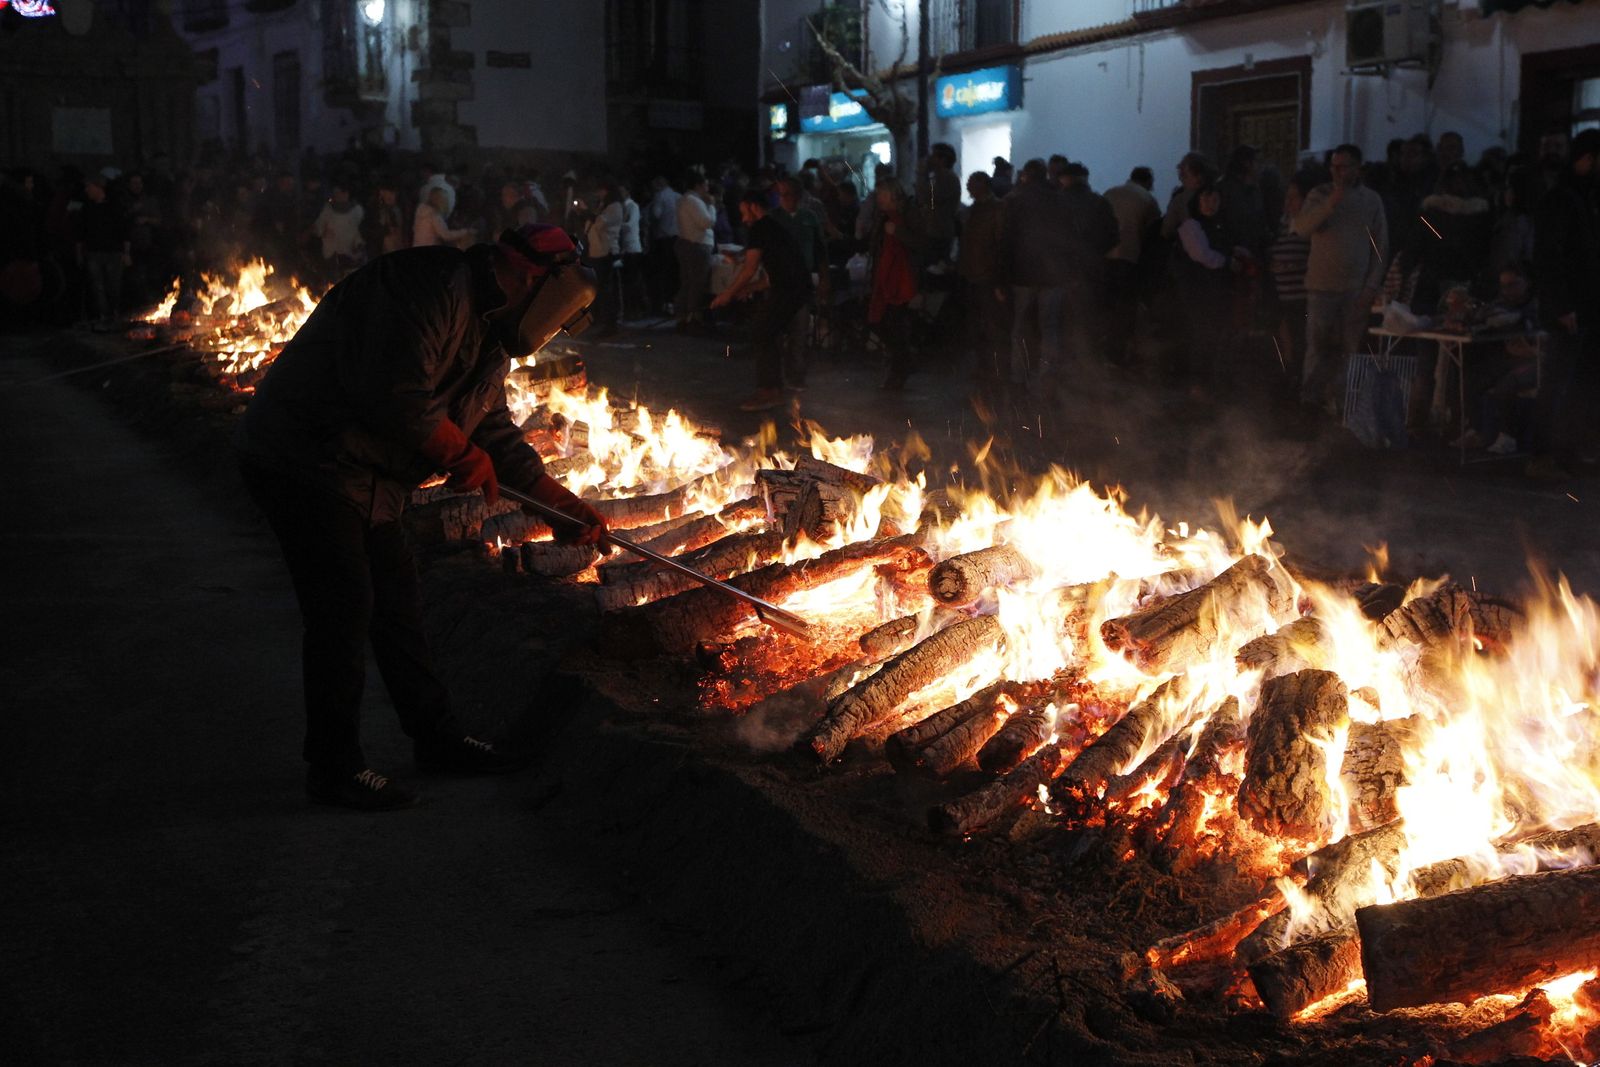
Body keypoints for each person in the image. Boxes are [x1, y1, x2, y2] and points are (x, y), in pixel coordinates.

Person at [234, 224, 606, 810]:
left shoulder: (488, 330)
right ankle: (334, 767)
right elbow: (394, 393)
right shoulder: (430, 286)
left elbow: (490, 428)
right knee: (345, 604)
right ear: (535, 279)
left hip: (366, 476)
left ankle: (438, 742)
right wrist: (460, 455)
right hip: (305, 455)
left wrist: (554, 501)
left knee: (398, 603)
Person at [1291, 144, 1389, 413]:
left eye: (1344, 166)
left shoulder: (1371, 200)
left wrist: (1371, 286)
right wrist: (1331, 202)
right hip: (1322, 287)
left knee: (1349, 347)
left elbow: (1380, 247)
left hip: (1355, 289)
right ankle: (1309, 400)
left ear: (1357, 168)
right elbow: (1302, 228)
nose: (1338, 171)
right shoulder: (1319, 195)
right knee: (1318, 346)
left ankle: (1340, 401)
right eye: (1334, 166)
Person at [1527, 128, 1600, 480]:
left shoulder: (1583, 198)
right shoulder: (1562, 199)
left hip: (1586, 306)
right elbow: (1550, 257)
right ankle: (1542, 455)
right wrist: (1561, 305)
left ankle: (1569, 451)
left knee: (1581, 384)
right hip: (1569, 309)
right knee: (1557, 382)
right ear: (1586, 159)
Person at [710, 189, 811, 410]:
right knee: (765, 331)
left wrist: (727, 293)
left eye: (745, 212)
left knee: (762, 330)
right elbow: (769, 277)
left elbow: (749, 267)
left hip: (791, 290)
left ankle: (769, 391)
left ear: (754, 207)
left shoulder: (760, 227)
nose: (744, 219)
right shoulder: (773, 228)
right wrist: (746, 289)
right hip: (795, 288)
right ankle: (773, 388)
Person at [866, 181, 926, 391]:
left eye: (882, 194)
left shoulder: (906, 215)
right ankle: (902, 363)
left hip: (900, 278)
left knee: (894, 324)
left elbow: (918, 243)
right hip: (887, 277)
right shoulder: (883, 216)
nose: (878, 198)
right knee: (884, 322)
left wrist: (897, 232)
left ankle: (900, 368)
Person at [1103, 166, 1160, 368]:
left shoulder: (1110, 193)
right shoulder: (1148, 200)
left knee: (1107, 307)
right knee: (1126, 309)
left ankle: (1103, 351)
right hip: (1131, 259)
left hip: (1105, 257)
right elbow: (1155, 235)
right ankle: (1119, 354)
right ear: (1148, 182)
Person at [957, 171, 1008, 380]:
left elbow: (1001, 244)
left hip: (987, 275)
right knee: (977, 325)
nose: (969, 188)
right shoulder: (972, 211)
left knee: (991, 325)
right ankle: (984, 365)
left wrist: (999, 279)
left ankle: (995, 367)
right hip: (973, 274)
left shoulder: (995, 210)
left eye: (972, 184)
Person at [75, 174, 129, 328]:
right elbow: (81, 233)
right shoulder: (87, 207)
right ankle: (103, 316)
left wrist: (126, 252)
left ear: (98, 187)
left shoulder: (114, 206)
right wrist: (79, 253)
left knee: (113, 285)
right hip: (93, 252)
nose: (87, 190)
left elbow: (124, 231)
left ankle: (114, 314)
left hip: (113, 253)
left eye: (89, 187)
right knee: (97, 286)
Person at [674, 172, 716, 331]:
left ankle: (683, 315)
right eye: (705, 185)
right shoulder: (694, 201)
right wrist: (711, 206)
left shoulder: (684, 199)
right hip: (697, 244)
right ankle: (693, 317)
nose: (707, 188)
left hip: (686, 242)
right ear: (698, 185)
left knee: (687, 282)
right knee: (697, 282)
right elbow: (706, 222)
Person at [581, 182, 624, 335]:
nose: (598, 194)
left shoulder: (614, 207)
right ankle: (601, 319)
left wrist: (588, 213)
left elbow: (600, 224)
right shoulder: (604, 206)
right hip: (596, 251)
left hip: (606, 252)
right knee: (599, 288)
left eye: (600, 190)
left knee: (606, 289)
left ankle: (610, 323)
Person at [312, 180, 365, 280]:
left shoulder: (357, 211)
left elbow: (361, 232)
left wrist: (359, 244)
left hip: (350, 256)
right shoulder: (328, 209)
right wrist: (322, 231)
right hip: (331, 255)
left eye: (339, 193)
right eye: (335, 193)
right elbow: (318, 227)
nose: (336, 195)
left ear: (346, 194)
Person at [645, 176, 680, 313]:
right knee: (675, 270)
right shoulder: (678, 196)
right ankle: (675, 301)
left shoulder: (659, 196)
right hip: (678, 236)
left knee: (665, 270)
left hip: (664, 237)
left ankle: (665, 302)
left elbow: (656, 214)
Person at [413, 184, 474, 248]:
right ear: (440, 200)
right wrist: (465, 232)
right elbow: (445, 235)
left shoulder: (421, 211)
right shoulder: (434, 215)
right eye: (445, 200)